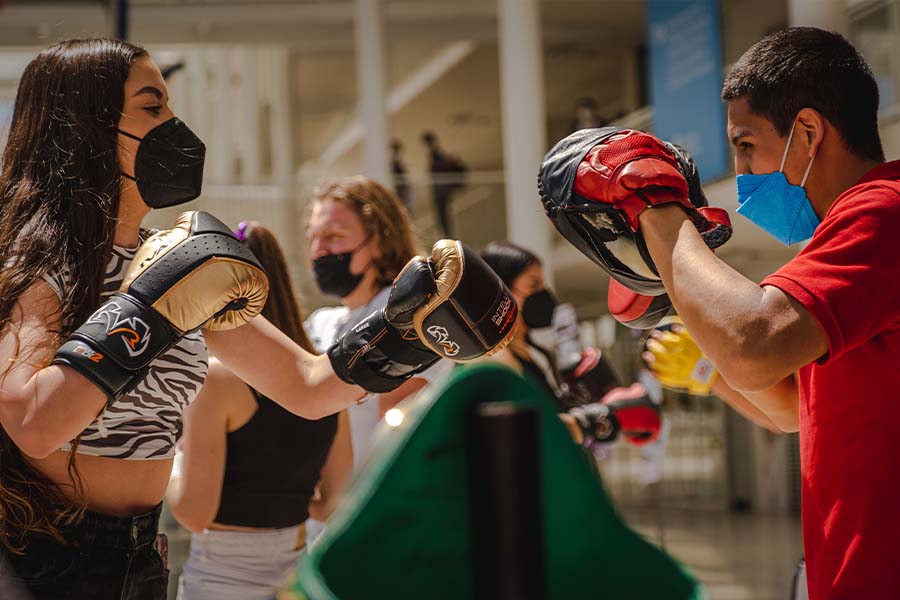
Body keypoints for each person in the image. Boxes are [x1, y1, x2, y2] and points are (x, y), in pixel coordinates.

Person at [0, 39, 512, 599]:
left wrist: (406, 333)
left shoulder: (174, 263)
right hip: (43, 554)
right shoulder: (38, 266)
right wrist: (145, 311)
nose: (174, 123)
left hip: (140, 555)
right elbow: (33, 422)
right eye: (153, 107)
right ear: (88, 126)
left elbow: (307, 387)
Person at [550, 28, 897, 599]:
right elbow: (793, 408)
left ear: (808, 132)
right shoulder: (849, 238)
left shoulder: (883, 213)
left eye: (745, 143)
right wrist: (705, 356)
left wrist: (652, 205)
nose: (740, 171)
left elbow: (754, 346)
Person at [166, 221, 353, 600]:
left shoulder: (217, 381)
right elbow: (331, 504)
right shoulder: (326, 379)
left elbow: (194, 512)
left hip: (221, 581)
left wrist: (169, 463)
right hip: (297, 578)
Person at [305, 176, 453, 475]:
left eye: (333, 236)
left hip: (378, 510)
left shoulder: (408, 314)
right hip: (326, 517)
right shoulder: (321, 322)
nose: (318, 250)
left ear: (379, 241)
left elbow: (395, 434)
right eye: (313, 237)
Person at [479, 242, 661, 448]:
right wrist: (600, 420)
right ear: (501, 290)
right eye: (534, 285)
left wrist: (602, 402)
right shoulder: (495, 359)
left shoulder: (535, 352)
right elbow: (519, 430)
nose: (544, 294)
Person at [421, 130, 467, 237]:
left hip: (441, 191)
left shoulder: (437, 154)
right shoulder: (436, 153)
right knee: (442, 217)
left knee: (443, 217)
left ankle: (447, 236)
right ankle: (446, 236)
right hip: (440, 191)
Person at [390, 139, 412, 215]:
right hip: (399, 187)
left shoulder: (398, 161)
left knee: (404, 207)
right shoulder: (395, 161)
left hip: (402, 187)